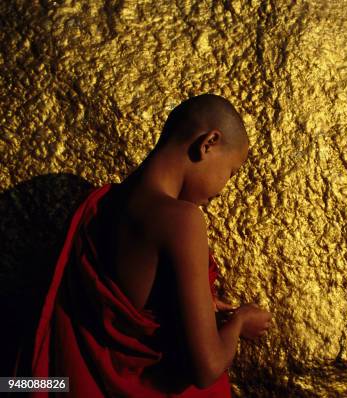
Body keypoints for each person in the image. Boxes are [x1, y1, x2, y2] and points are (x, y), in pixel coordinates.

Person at [16, 93, 272, 397]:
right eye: (230, 173)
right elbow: (205, 368)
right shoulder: (183, 221)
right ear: (208, 144)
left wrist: (197, 303)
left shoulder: (99, 204)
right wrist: (240, 322)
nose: (223, 189)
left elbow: (129, 297)